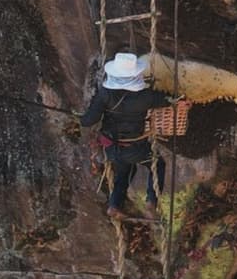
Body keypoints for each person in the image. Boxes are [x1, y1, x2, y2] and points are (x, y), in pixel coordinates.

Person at [80, 52, 192, 219]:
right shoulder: (146, 96)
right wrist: (178, 101)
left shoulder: (105, 94)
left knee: (123, 171)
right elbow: (169, 100)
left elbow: (88, 121)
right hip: (136, 148)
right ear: (135, 75)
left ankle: (114, 205)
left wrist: (81, 117)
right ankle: (151, 202)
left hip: (111, 148)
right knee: (157, 163)